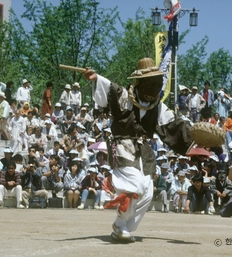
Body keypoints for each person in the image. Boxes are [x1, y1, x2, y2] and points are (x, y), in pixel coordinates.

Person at [80, 57, 192, 242]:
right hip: (122, 146)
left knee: (147, 192)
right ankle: (115, 193)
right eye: (151, 83)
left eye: (158, 83)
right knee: (137, 185)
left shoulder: (158, 107)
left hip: (144, 151)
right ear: (140, 83)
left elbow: (175, 125)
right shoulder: (124, 96)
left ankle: (120, 225)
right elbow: (108, 87)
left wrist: (195, 136)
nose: (155, 88)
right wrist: (95, 78)